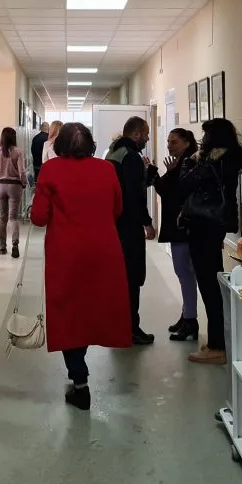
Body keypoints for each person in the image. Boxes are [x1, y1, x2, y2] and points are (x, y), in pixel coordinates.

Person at [30, 122, 133, 410]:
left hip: (66, 252)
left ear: (60, 144)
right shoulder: (106, 169)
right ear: (91, 144)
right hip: (104, 250)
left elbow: (39, 217)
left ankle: (79, 380)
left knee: (68, 312)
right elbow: (117, 209)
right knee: (91, 309)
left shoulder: (51, 170)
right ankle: (79, 373)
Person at [178, 118, 242, 365]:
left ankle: (218, 346)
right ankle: (218, 340)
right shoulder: (229, 158)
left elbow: (185, 183)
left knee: (209, 285)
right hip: (213, 225)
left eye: (206, 134)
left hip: (204, 225)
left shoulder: (215, 161)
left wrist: (191, 160)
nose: (202, 139)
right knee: (211, 283)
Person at [106, 117, 156, 344]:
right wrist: (147, 222)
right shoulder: (131, 156)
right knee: (132, 277)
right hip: (129, 226)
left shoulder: (113, 153)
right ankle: (131, 329)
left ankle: (117, 325)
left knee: (118, 278)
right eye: (145, 134)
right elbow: (134, 194)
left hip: (113, 223)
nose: (147, 138)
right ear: (136, 134)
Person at [150, 127, 200, 342]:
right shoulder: (179, 163)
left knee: (184, 272)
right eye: (169, 141)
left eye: (174, 142)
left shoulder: (191, 163)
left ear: (187, 143)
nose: (169, 145)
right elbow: (164, 190)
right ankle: (187, 314)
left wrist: (169, 174)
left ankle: (190, 320)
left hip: (185, 227)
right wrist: (154, 172)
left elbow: (178, 194)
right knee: (182, 273)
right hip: (178, 226)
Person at [0, 126, 27, 259]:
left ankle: (2, 247)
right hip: (15, 186)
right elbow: (22, 172)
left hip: (0, 185)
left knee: (2, 218)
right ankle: (15, 245)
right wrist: (24, 184)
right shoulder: (18, 152)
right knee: (13, 217)